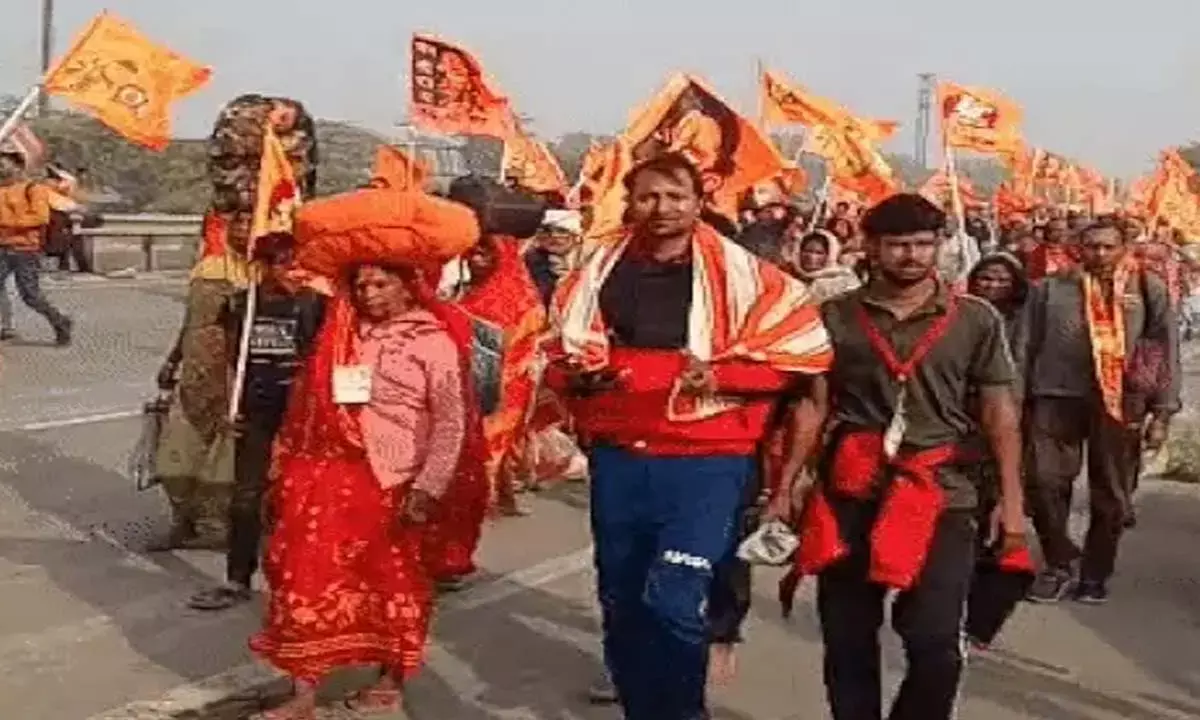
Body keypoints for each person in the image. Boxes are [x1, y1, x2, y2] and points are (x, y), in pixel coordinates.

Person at [547, 153, 831, 720]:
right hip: (620, 456)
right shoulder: (597, 270)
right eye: (649, 197)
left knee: (675, 599)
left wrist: (722, 375)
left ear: (700, 202)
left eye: (676, 197)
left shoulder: (749, 276)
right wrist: (578, 375)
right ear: (630, 203)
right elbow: (559, 352)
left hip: (708, 463)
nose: (662, 209)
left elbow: (797, 361)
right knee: (621, 601)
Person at [781, 193, 1025, 720]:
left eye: (923, 245)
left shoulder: (975, 319)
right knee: (847, 639)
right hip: (850, 489)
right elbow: (812, 406)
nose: (912, 257)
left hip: (944, 491)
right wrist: (784, 489)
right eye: (898, 246)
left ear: (940, 246)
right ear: (870, 248)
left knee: (935, 643)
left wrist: (1012, 502)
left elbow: (999, 413)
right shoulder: (834, 316)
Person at [250, 263, 486, 719]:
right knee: (304, 579)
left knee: (394, 586)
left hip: (394, 482)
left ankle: (389, 683)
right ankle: (302, 695)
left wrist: (428, 487)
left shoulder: (433, 341)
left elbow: (451, 422)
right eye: (361, 286)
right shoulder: (341, 334)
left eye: (382, 284)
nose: (370, 294)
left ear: (409, 284)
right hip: (327, 475)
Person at [1023, 216, 1179, 604]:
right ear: (1079, 247)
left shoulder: (1147, 287)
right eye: (1093, 246)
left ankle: (1095, 573)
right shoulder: (1049, 290)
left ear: (1124, 247)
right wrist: (1015, 401)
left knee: (1111, 493)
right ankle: (1059, 561)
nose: (1101, 254)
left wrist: (1162, 412)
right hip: (1055, 396)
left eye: (1109, 246)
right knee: (1044, 483)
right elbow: (1023, 345)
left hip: (1121, 402)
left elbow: (1164, 350)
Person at [186, 235, 328, 611]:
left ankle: (302, 581)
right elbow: (229, 356)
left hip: (301, 415)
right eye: (282, 263)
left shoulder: (315, 304)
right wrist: (227, 407)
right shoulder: (241, 305)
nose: (293, 272)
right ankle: (237, 578)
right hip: (256, 411)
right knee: (246, 498)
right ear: (261, 266)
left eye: (298, 263)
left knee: (301, 499)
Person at [0, 151, 75, 345]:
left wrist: (7, 222)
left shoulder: (33, 189)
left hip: (26, 250)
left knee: (30, 295)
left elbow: (40, 217)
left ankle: (60, 321)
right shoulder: (2, 189)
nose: (0, 168)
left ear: (17, 166)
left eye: (3, 164)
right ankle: (5, 326)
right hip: (3, 247)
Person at [786, 229, 862, 302]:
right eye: (807, 251)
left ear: (830, 255)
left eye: (819, 253)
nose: (812, 257)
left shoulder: (843, 281)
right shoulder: (787, 273)